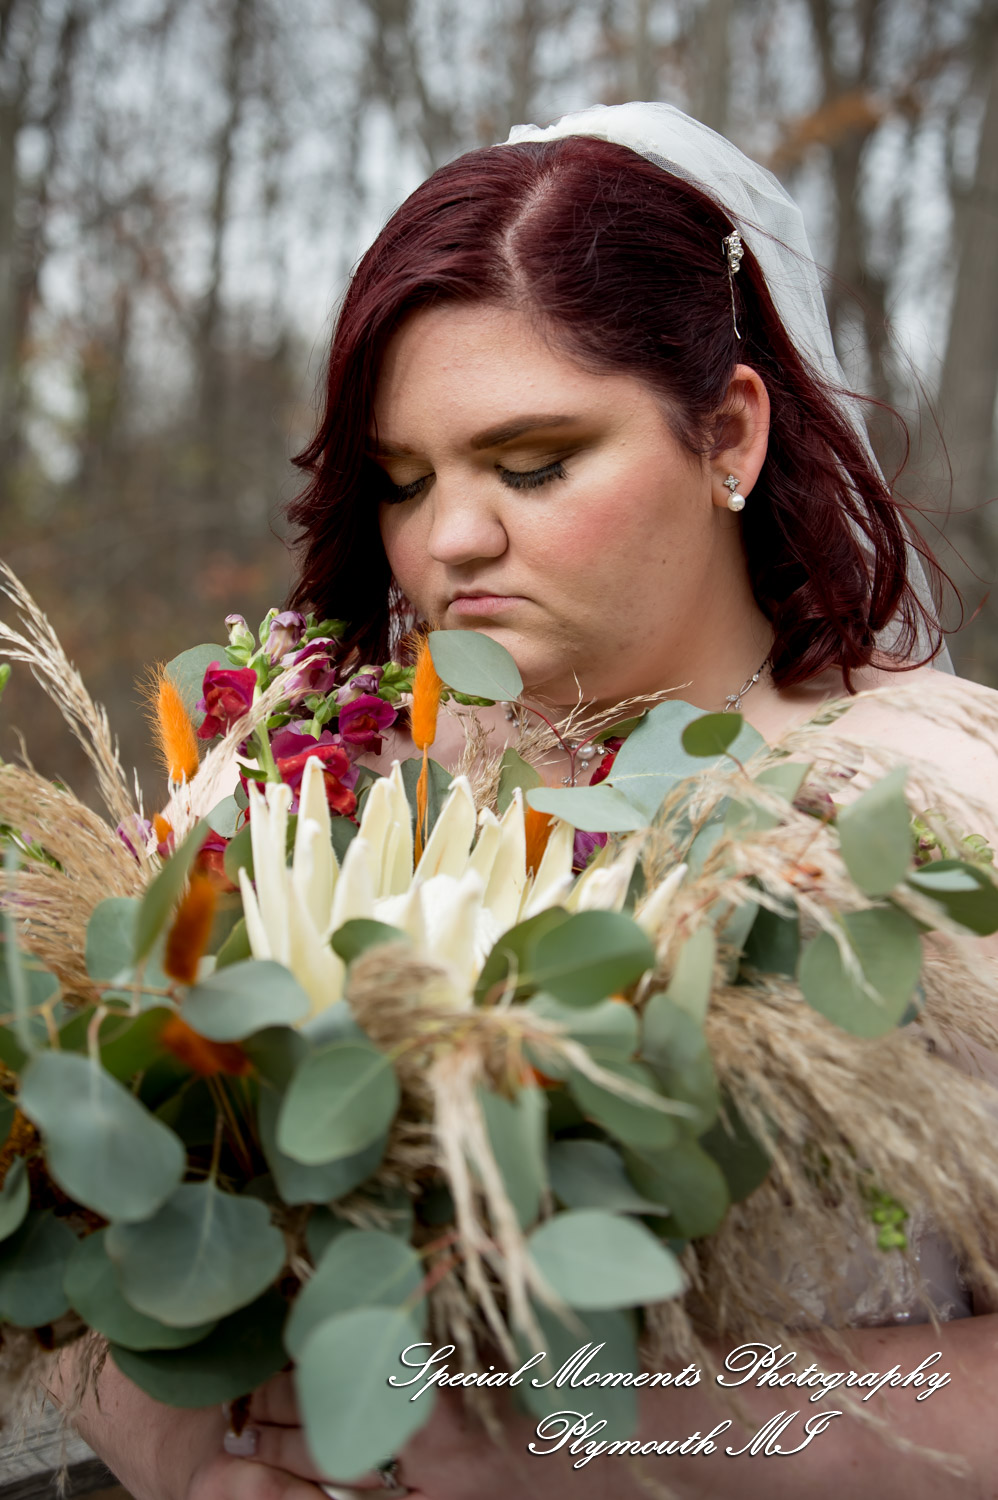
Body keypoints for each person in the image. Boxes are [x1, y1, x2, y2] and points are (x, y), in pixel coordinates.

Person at [48, 103, 998, 1499]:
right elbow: (82, 1249)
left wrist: (588, 1445)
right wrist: (200, 1448)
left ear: (727, 433)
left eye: (534, 463)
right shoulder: (318, 787)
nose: (449, 539)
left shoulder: (936, 808)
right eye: (403, 480)